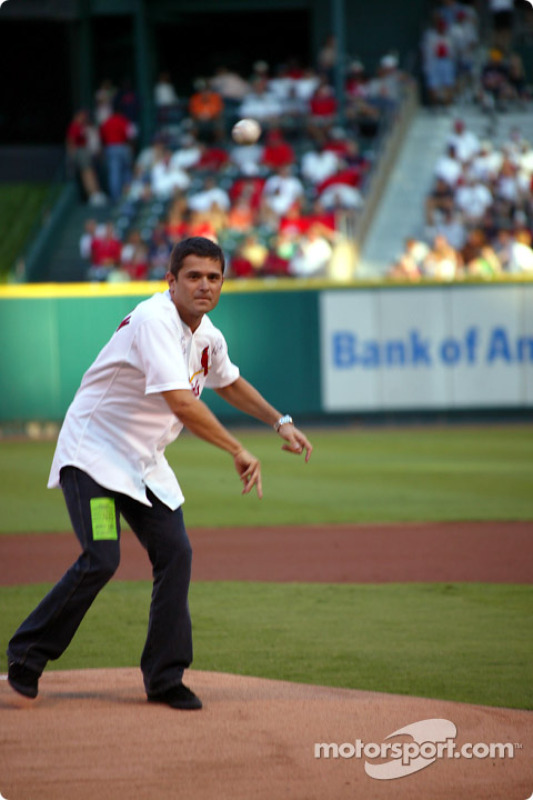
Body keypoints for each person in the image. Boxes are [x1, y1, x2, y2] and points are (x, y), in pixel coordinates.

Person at [6, 236, 313, 711]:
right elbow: (182, 404)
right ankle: (26, 656)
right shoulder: (154, 320)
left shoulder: (207, 335)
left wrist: (280, 422)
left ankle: (165, 678)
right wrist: (235, 448)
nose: (204, 286)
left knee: (176, 554)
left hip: (144, 466)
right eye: (193, 276)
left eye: (213, 277)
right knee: (101, 558)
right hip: (94, 459)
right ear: (171, 281)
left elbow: (227, 382)